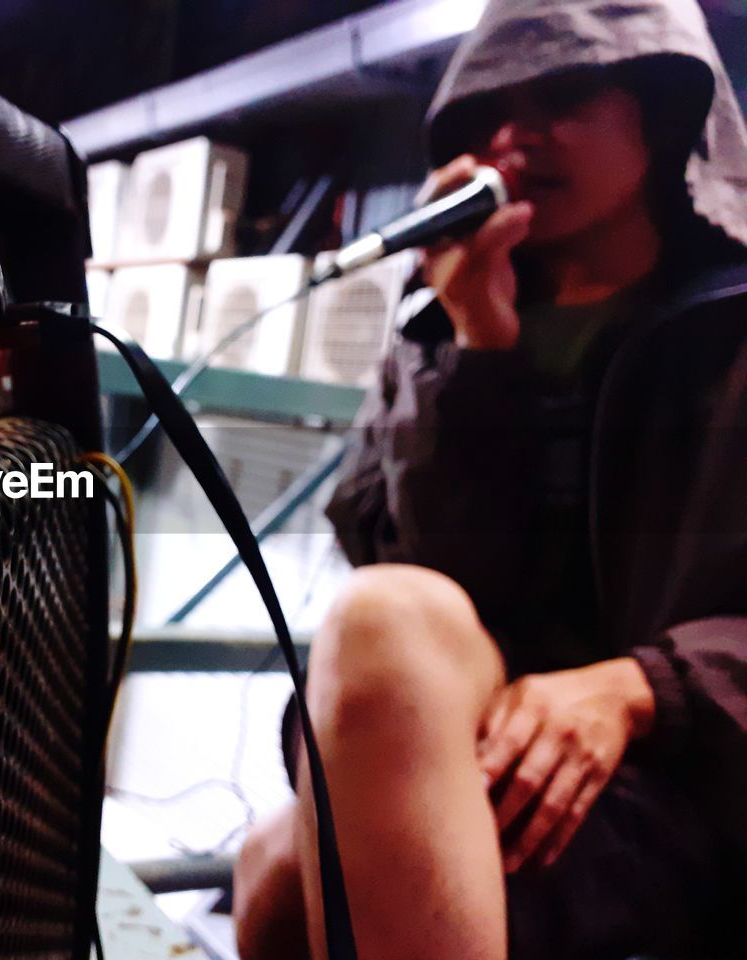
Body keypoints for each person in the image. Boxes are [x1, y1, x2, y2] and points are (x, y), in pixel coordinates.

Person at [232, 0, 747, 957]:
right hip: (495, 752)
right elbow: (434, 588)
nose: (513, 135)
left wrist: (642, 688)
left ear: (666, 105)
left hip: (698, 773)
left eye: (564, 91)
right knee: (272, 868)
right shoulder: (441, 330)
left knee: (287, 876)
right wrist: (476, 348)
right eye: (487, 115)